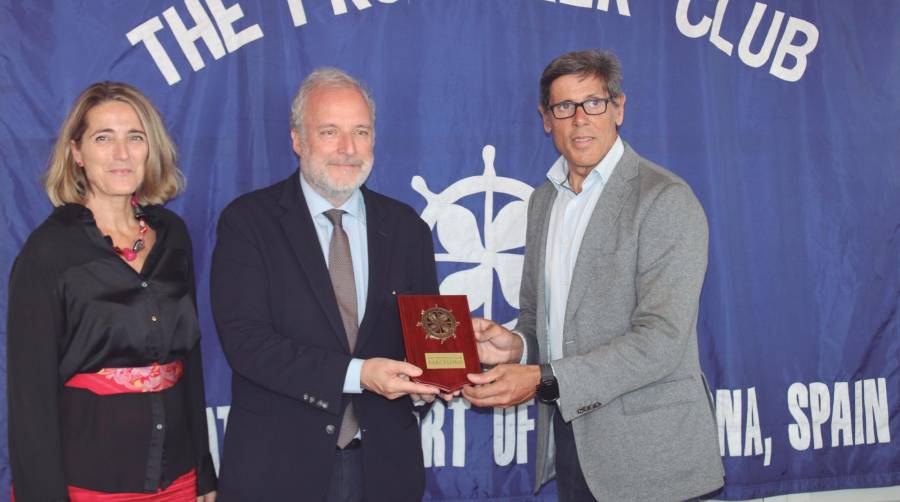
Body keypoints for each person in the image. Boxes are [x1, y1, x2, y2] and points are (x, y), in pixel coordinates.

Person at [461, 50, 725, 501]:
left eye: (593, 103)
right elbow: (540, 317)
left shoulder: (665, 199)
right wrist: (517, 346)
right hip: (574, 452)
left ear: (619, 108)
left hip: (657, 466)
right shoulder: (543, 202)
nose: (580, 119)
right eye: (564, 107)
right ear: (547, 119)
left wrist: (542, 380)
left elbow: (660, 342)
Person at [210, 68, 440, 502]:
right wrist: (361, 375)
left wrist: (457, 354)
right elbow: (246, 343)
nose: (348, 149)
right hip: (278, 470)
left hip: (385, 469)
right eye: (330, 131)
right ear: (298, 139)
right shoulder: (248, 223)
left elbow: (427, 337)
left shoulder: (407, 227)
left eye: (361, 132)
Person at [7, 81, 217, 501]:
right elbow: (30, 400)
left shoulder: (173, 235)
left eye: (134, 137)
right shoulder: (47, 253)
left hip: (179, 478)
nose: (121, 154)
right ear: (77, 153)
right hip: (90, 485)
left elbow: (189, 362)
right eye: (104, 138)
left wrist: (204, 474)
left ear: (150, 149)